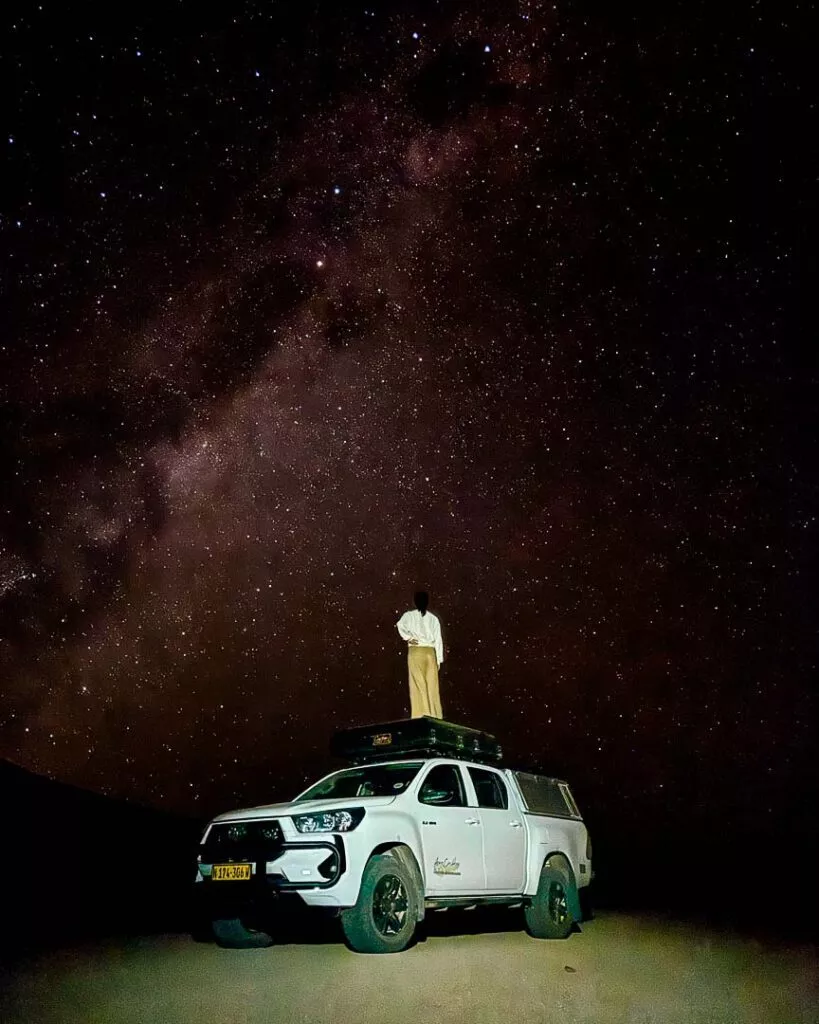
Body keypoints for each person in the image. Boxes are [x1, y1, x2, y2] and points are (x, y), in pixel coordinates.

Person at [396, 591, 443, 719]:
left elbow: (400, 626)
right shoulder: (433, 618)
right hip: (430, 653)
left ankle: (419, 716)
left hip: (416, 651)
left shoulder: (408, 616)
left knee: (418, 685)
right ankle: (434, 715)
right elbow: (438, 640)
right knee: (432, 687)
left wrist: (408, 637)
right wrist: (438, 659)